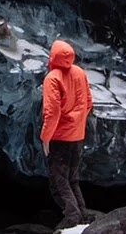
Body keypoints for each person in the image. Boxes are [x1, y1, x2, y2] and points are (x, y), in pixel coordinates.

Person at [40, 39, 93, 228]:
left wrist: (46, 138)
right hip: (77, 136)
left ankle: (72, 216)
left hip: (59, 137)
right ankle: (83, 215)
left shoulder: (52, 78)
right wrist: (77, 124)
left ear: (52, 56)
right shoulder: (79, 72)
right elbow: (88, 102)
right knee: (73, 179)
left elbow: (52, 112)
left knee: (58, 183)